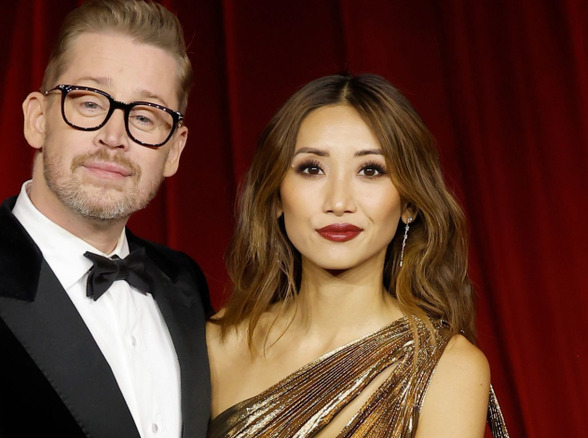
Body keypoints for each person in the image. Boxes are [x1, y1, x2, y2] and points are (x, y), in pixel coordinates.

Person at [0, 1, 212, 437]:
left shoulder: (184, 283)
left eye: (145, 117)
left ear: (175, 150)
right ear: (37, 119)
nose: (114, 137)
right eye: (90, 104)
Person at [206, 74, 508, 437]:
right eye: (312, 168)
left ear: (409, 202)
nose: (338, 203)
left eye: (370, 170)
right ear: (275, 198)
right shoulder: (218, 345)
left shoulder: (449, 368)